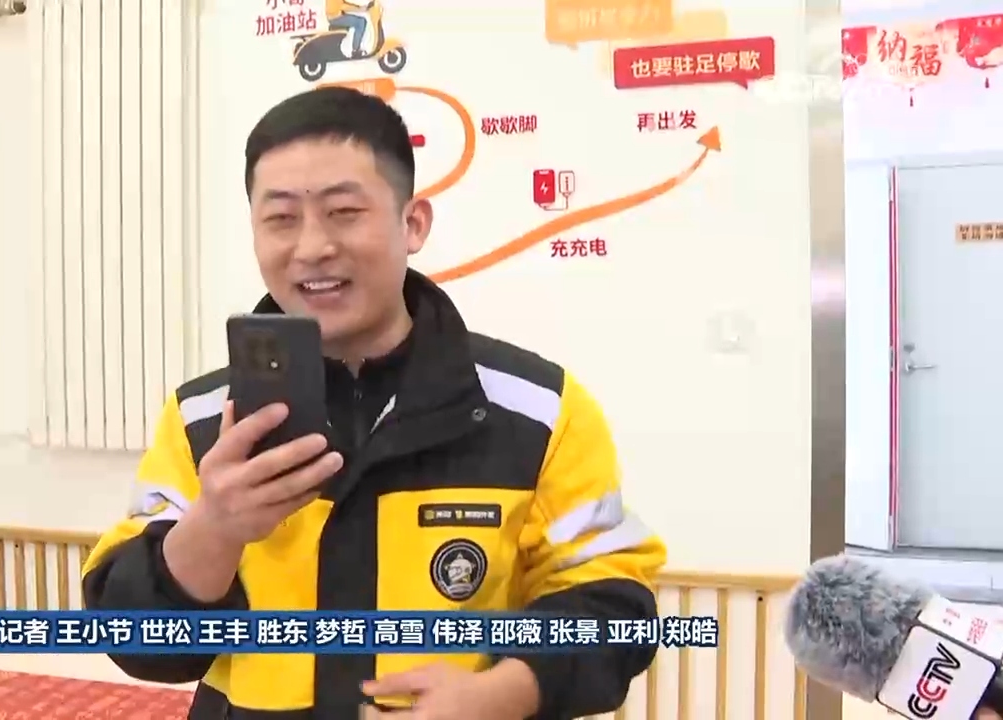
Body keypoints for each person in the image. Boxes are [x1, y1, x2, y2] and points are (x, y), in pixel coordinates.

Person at [81, 86, 667, 720]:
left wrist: (502, 694)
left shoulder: (538, 412)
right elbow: (133, 639)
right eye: (281, 218)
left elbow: (614, 606)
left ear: (413, 224)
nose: (311, 247)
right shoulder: (202, 421)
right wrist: (213, 529)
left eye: (343, 212)